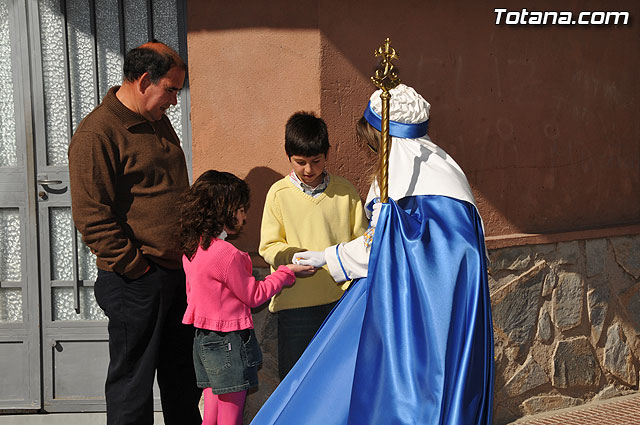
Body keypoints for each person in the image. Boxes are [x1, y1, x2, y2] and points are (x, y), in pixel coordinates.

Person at [251, 84, 494, 425]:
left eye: (373, 144)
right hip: (449, 303)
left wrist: (328, 257)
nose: (371, 151)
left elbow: (382, 244)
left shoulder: (399, 179)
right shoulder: (447, 171)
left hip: (409, 306)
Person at [68, 41, 201, 425]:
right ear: (144, 80)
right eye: (171, 89)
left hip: (175, 274)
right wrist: (137, 268)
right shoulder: (98, 133)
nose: (175, 101)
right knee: (133, 385)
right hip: (136, 281)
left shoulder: (156, 119)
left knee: (182, 379)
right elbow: (92, 215)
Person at [178, 170, 314, 425]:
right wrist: (285, 273)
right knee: (231, 417)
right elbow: (254, 295)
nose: (244, 216)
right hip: (229, 342)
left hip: (203, 340)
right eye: (240, 209)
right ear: (223, 210)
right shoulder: (227, 254)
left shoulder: (192, 247)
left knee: (211, 415)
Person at [258, 112, 367, 380]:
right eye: (301, 162)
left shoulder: (346, 191)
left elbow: (363, 242)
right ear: (288, 157)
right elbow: (268, 246)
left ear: (326, 154)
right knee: (296, 381)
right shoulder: (278, 193)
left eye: (316, 161)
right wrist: (291, 259)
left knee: (337, 379)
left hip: (340, 303)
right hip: (295, 306)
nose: (308, 170)